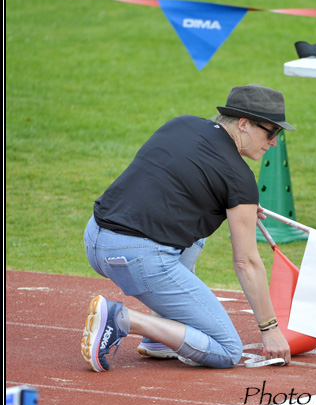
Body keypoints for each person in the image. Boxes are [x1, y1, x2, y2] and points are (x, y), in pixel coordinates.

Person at [81, 84, 293, 371]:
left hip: (95, 238)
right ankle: (123, 319)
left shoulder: (181, 124)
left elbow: (170, 182)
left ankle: (159, 338)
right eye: (272, 132)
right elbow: (246, 262)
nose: (274, 143)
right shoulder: (238, 178)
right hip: (137, 258)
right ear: (244, 124)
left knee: (197, 234)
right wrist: (270, 329)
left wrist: (239, 207)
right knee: (228, 351)